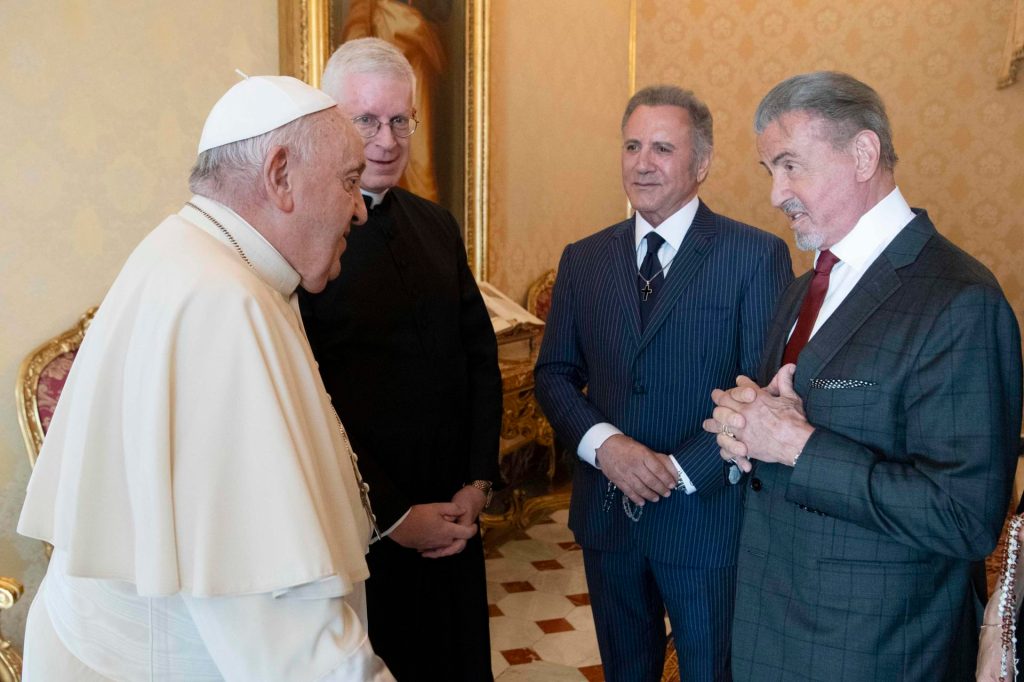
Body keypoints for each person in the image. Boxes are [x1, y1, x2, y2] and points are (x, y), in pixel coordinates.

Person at [17, 74, 394, 681]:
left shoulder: (197, 254)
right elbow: (275, 614)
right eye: (349, 180)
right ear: (279, 176)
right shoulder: (222, 304)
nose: (359, 207)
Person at [705, 71, 1023, 681]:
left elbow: (965, 517)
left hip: (877, 649)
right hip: (770, 628)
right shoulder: (802, 288)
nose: (776, 193)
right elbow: (790, 425)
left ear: (863, 153)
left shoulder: (959, 300)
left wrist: (798, 446)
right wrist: (746, 429)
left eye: (791, 165)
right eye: (769, 169)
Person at [534, 85, 792, 680]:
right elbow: (553, 374)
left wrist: (676, 472)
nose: (642, 162)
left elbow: (759, 391)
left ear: (701, 164)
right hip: (607, 514)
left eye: (662, 148)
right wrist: (607, 448)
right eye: (631, 145)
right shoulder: (584, 258)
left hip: (706, 519)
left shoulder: (754, 255)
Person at [298, 38, 502, 681]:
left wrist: (477, 482)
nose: (386, 140)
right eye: (366, 120)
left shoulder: (437, 223)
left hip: (455, 515)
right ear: (333, 121)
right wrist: (390, 518)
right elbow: (311, 396)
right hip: (366, 532)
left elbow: (478, 357)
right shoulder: (304, 241)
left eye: (400, 120)